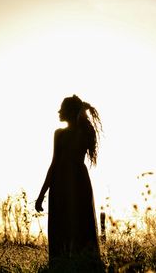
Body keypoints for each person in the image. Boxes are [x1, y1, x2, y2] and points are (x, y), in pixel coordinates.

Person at [35, 94, 103, 269]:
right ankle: (61, 265)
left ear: (71, 112)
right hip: (61, 183)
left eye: (62, 109)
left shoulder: (84, 132)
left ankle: (84, 265)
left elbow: (56, 163)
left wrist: (82, 110)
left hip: (75, 183)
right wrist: (42, 194)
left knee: (79, 223)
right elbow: (54, 163)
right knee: (62, 225)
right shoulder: (59, 134)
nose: (58, 112)